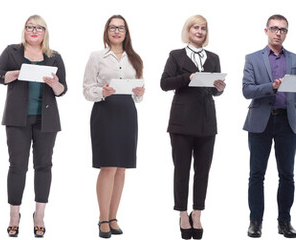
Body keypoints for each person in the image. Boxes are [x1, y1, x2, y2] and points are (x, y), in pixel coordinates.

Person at [0, 14, 67, 238]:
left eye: (39, 28)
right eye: (30, 27)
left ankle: (39, 215)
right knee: (17, 166)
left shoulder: (54, 56)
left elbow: (62, 90)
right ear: (24, 30)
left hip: (46, 120)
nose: (34, 31)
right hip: (18, 119)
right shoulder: (12, 51)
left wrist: (55, 84)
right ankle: (14, 216)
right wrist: (15, 74)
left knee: (44, 166)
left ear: (45, 32)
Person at [243, 14, 296, 239]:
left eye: (282, 29)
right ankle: (255, 222)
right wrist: (271, 87)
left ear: (286, 33)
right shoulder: (252, 59)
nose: (278, 33)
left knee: (287, 175)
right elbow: (247, 90)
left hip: (287, 121)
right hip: (260, 122)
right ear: (266, 31)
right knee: (256, 174)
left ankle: (285, 222)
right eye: (274, 28)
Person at [160, 14, 226, 240]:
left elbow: (215, 91)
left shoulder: (214, 57)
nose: (199, 31)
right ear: (188, 31)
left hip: (207, 121)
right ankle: (182, 213)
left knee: (203, 170)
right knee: (181, 170)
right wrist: (189, 76)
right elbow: (164, 83)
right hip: (181, 120)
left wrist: (219, 88)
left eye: (203, 28)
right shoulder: (176, 55)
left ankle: (197, 212)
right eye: (195, 27)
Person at [83, 15, 146, 239]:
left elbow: (139, 93)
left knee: (121, 168)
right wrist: (102, 91)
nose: (117, 31)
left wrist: (140, 92)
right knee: (108, 166)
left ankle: (113, 217)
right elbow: (87, 90)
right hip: (105, 112)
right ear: (106, 31)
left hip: (127, 113)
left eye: (121, 28)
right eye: (112, 27)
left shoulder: (134, 58)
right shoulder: (97, 56)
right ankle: (102, 218)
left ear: (126, 32)